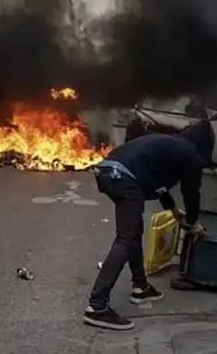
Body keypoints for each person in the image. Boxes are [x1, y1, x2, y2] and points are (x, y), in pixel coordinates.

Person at [84, 127, 206, 330]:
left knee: (133, 232)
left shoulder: (168, 145)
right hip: (124, 178)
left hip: (108, 171)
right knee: (125, 238)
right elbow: (191, 193)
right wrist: (192, 222)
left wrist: (174, 211)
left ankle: (140, 287)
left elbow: (157, 184)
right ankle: (97, 307)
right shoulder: (191, 155)